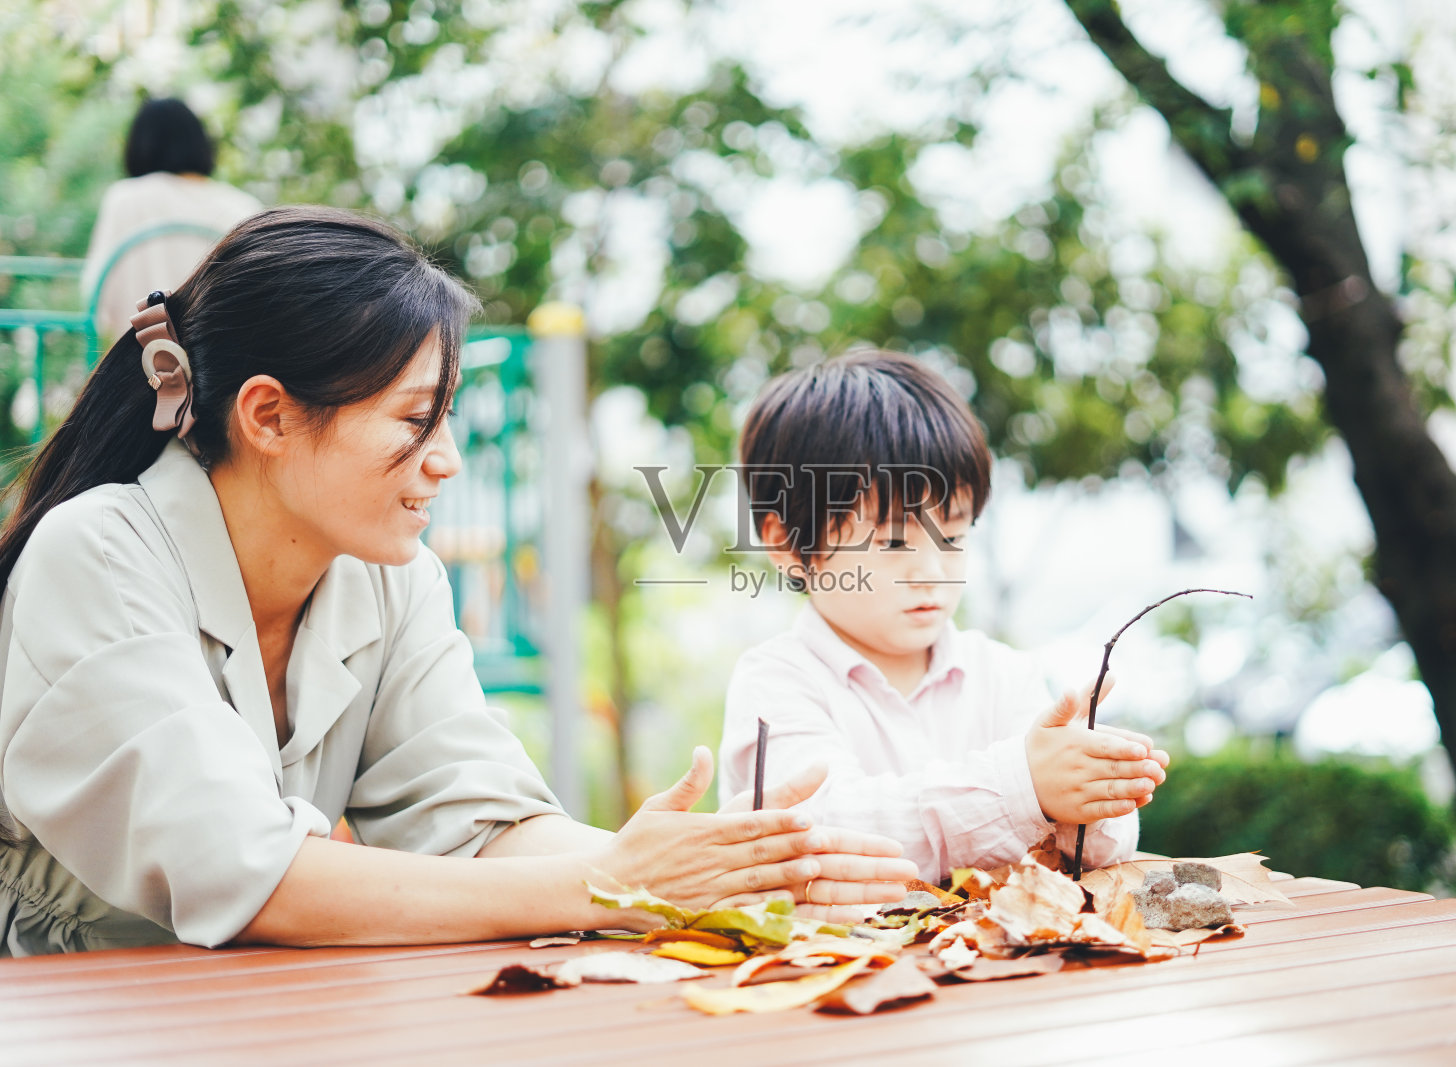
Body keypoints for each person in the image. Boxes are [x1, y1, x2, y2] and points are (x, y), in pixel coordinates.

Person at [0, 206, 915, 957]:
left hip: (257, 1003)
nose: (445, 462)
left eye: (446, 419)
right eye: (413, 418)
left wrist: (712, 871)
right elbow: (252, 872)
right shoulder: (98, 555)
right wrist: (620, 884)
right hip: (72, 1007)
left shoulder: (391, 577)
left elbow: (478, 819)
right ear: (268, 415)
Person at [718, 351, 1171, 885]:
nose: (931, 571)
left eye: (952, 535)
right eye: (892, 540)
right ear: (788, 545)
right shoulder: (775, 683)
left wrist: (1091, 788)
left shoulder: (1002, 675)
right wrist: (1023, 790)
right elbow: (821, 831)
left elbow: (1100, 846)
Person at [80, 98, 262, 345]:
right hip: (220, 370)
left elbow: (97, 294)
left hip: (141, 364)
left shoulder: (125, 199)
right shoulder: (241, 206)